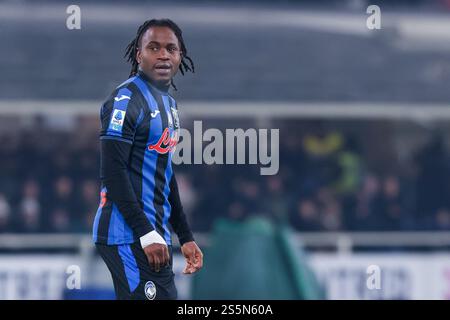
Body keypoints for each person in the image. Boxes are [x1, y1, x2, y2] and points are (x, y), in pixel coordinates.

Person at [92, 19, 203, 300]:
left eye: (171, 48)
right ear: (139, 55)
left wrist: (185, 235)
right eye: (154, 48)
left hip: (153, 234)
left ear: (180, 56)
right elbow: (113, 172)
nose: (163, 55)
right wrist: (145, 233)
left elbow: (165, 175)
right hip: (127, 235)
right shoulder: (125, 99)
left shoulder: (170, 105)